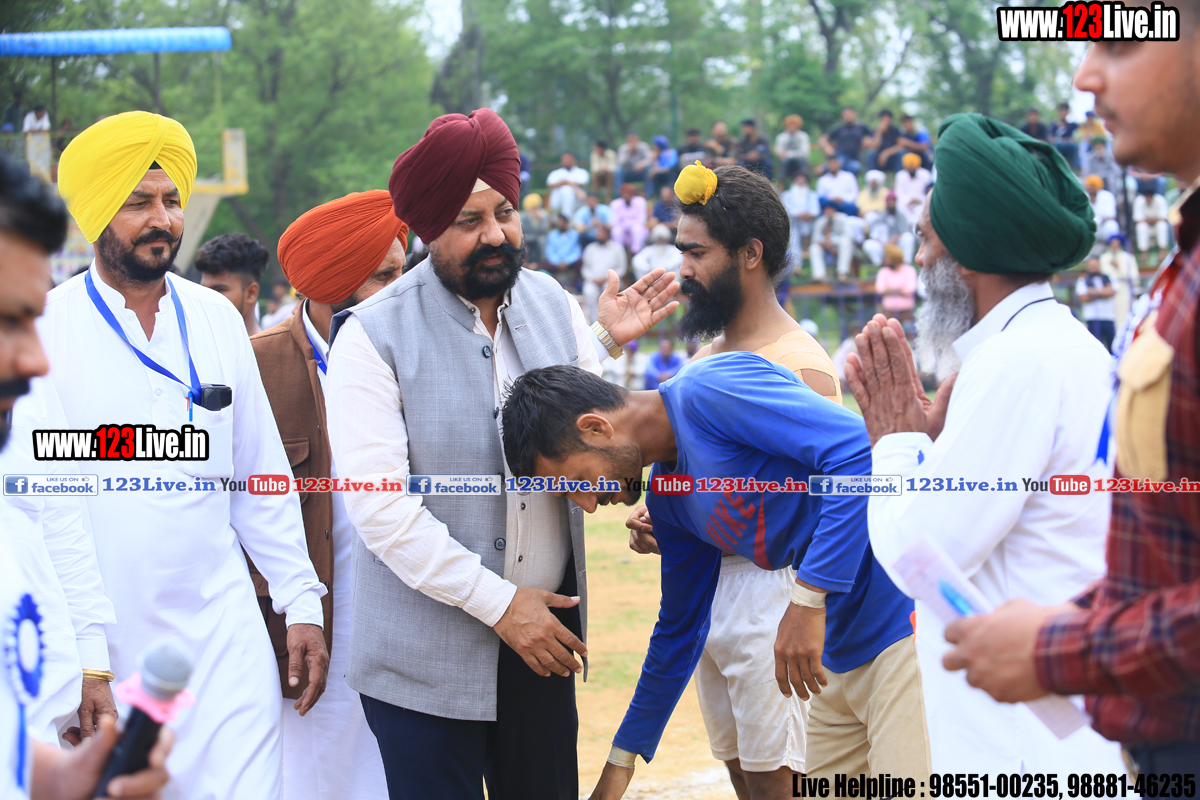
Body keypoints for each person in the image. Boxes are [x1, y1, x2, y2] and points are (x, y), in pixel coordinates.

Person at [325, 107, 680, 799]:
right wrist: (500, 605)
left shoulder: (553, 303)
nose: (495, 234)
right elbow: (381, 512)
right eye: (469, 220)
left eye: (506, 213)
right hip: (421, 662)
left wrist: (655, 499)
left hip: (543, 644)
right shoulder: (371, 335)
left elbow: (588, 431)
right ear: (428, 229)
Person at [501, 286, 926, 800]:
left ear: (594, 428)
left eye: (576, 482)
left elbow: (858, 457)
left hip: (907, 611)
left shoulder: (709, 388)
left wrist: (806, 601)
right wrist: (619, 767)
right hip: (839, 649)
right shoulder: (667, 496)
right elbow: (679, 629)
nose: (587, 505)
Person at [39, 111, 329, 799]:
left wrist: (301, 599)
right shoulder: (46, 330)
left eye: (171, 200)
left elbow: (258, 472)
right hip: (112, 645)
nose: (162, 219)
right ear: (96, 211)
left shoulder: (215, 317)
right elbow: (50, 510)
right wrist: (88, 657)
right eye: (138, 202)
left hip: (225, 634)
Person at [945, 24, 1200, 774]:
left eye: (1119, 42)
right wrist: (1078, 621)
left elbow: (934, 539)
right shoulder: (1182, 267)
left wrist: (1064, 646)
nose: (1086, 77)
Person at [844, 112, 1124, 776]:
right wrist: (931, 447)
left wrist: (895, 443)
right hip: (1054, 728)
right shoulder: (1060, 345)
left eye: (925, 239)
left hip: (1029, 752)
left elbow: (919, 556)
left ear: (965, 255)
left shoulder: (1016, 364)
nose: (919, 260)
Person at [626, 165, 850, 799]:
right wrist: (668, 518)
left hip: (775, 596)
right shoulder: (706, 359)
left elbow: (833, 500)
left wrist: (807, 606)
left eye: (697, 253)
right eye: (682, 252)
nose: (684, 270)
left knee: (779, 786)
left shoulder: (799, 366)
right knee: (743, 780)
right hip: (710, 597)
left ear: (751, 254)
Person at [254, 189, 407, 800]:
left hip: (409, 615)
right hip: (308, 620)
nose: (400, 292)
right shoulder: (257, 368)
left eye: (402, 274)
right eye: (383, 278)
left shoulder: (418, 350)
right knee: (311, 774)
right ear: (330, 285)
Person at [193, 232, 268, 336]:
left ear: (251, 293)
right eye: (203, 290)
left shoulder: (272, 346)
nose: (206, 299)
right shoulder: (192, 343)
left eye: (219, 290)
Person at [581, 223, 628, 323]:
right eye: (597, 232)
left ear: (607, 234)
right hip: (593, 281)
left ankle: (609, 322)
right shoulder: (590, 248)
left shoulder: (617, 248)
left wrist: (608, 278)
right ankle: (594, 323)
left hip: (611, 281)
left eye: (601, 232)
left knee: (607, 293)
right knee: (589, 292)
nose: (598, 235)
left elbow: (622, 268)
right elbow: (585, 268)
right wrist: (593, 278)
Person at [864, 191, 916, 266]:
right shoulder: (880, 216)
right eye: (890, 202)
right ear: (886, 202)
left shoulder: (901, 215)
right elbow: (874, 235)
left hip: (897, 244)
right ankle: (880, 264)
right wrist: (884, 243)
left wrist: (893, 240)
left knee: (908, 237)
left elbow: (904, 231)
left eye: (893, 201)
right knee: (868, 244)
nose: (891, 203)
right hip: (883, 245)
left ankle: (906, 263)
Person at [1099, 233, 1139, 330]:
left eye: (1116, 244)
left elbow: (1135, 279)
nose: (1114, 246)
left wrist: (1119, 268)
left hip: (1123, 292)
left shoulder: (1128, 257)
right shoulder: (1104, 258)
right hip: (1108, 293)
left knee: (1123, 318)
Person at [1076, 257, 1117, 352]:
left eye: (1095, 265)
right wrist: (1104, 292)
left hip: (1108, 317)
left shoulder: (1108, 278)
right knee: (1095, 348)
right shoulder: (1082, 280)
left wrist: (1093, 293)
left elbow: (1111, 292)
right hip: (1092, 318)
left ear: (1099, 265)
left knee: (1112, 347)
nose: (1093, 267)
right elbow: (1082, 298)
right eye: (1091, 265)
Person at [782, 171, 820, 267]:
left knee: (809, 226)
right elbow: (787, 210)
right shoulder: (786, 195)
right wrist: (799, 215)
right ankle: (796, 266)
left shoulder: (812, 194)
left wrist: (808, 215)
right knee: (793, 236)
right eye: (798, 180)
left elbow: (816, 210)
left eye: (803, 181)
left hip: (810, 223)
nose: (801, 183)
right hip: (793, 223)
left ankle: (806, 249)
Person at [818, 107, 871, 174]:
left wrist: (868, 140)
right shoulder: (839, 128)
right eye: (845, 115)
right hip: (840, 155)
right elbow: (823, 139)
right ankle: (825, 168)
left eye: (850, 114)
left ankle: (826, 167)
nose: (848, 116)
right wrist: (828, 148)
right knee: (840, 162)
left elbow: (873, 135)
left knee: (856, 168)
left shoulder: (861, 127)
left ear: (855, 114)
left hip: (854, 158)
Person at [809, 204, 853, 282]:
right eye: (826, 209)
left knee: (845, 242)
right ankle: (819, 275)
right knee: (813, 247)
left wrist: (832, 241)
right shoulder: (820, 221)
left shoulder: (842, 218)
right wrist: (823, 242)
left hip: (839, 246)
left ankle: (842, 273)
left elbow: (849, 235)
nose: (828, 211)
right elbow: (814, 238)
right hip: (825, 249)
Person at [873, 244, 917, 322]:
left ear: (894, 258)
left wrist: (889, 290)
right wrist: (900, 289)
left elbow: (910, 289)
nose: (885, 260)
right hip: (889, 312)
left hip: (906, 312)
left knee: (908, 328)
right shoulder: (883, 271)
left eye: (887, 258)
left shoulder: (909, 270)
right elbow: (880, 289)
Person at [544, 213, 583, 289]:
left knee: (580, 262)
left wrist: (567, 262)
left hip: (570, 262)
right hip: (556, 263)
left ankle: (572, 285)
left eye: (562, 222)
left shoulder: (574, 234)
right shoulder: (552, 235)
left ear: (567, 223)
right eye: (559, 222)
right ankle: (559, 287)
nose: (560, 224)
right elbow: (550, 252)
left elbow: (577, 251)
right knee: (542, 268)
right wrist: (558, 262)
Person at [893, 153, 932, 228]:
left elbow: (928, 192)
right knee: (900, 208)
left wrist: (919, 200)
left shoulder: (925, 174)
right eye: (909, 165)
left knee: (921, 210)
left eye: (913, 165)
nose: (911, 167)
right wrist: (909, 201)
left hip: (921, 202)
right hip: (905, 203)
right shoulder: (900, 175)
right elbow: (899, 193)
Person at [546, 152, 589, 218]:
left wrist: (566, 182)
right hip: (557, 203)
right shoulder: (556, 173)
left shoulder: (582, 172)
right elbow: (549, 184)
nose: (565, 160)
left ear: (574, 160)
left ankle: (567, 217)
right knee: (565, 189)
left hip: (577, 202)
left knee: (567, 190)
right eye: (564, 159)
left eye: (568, 158)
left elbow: (583, 183)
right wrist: (569, 183)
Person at [611, 182, 648, 255]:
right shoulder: (615, 203)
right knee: (616, 231)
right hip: (622, 228)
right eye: (624, 193)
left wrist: (627, 223)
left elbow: (642, 220)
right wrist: (626, 224)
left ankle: (636, 251)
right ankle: (619, 253)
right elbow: (614, 221)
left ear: (632, 194)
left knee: (637, 228)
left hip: (636, 229)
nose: (626, 196)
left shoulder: (640, 201)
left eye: (628, 193)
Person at [1133, 187, 1170, 255]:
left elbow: (1165, 218)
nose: (1148, 199)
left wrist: (1153, 220)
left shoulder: (1160, 200)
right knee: (1141, 227)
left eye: (1150, 197)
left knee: (1162, 225)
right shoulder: (1139, 201)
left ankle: (1162, 251)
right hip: (1146, 225)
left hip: (1157, 224)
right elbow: (1137, 219)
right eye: (1147, 197)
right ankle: (1144, 253)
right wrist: (1148, 220)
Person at [774, 115, 810, 184]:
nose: (792, 127)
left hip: (799, 162)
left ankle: (805, 184)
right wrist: (785, 155)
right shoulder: (781, 137)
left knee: (802, 160)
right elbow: (779, 153)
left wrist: (788, 154)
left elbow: (804, 152)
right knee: (783, 162)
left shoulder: (803, 136)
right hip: (787, 164)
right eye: (790, 125)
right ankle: (781, 186)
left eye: (794, 125)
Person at [1085, 174, 1121, 242]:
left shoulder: (1107, 196)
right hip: (1089, 227)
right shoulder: (1084, 196)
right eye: (1090, 186)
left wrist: (1099, 221)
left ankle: (1113, 246)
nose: (1091, 188)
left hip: (1103, 226)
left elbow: (1111, 216)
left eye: (1093, 186)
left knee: (1112, 225)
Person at [520, 192, 551, 268]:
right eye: (534, 207)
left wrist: (540, 220)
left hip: (538, 240)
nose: (536, 209)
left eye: (537, 207)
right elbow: (522, 232)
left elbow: (544, 231)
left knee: (542, 240)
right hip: (528, 239)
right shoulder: (523, 217)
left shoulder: (544, 215)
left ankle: (542, 262)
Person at [1050, 102, 1079, 168]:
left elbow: (1077, 135)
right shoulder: (1054, 125)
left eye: (1065, 110)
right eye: (1062, 110)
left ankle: (1073, 168)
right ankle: (1057, 167)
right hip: (1059, 144)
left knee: (1073, 146)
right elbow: (1050, 137)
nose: (1063, 112)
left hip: (1069, 144)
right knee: (1057, 145)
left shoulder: (1072, 125)